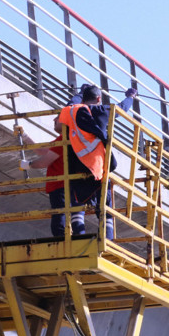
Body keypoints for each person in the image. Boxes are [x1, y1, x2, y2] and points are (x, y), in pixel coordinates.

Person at [57, 85, 137, 239]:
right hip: (97, 165)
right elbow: (122, 108)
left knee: (78, 201)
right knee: (104, 205)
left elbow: (71, 103)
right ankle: (107, 239)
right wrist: (130, 96)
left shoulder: (72, 111)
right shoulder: (101, 111)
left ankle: (79, 236)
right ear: (99, 98)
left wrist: (80, 93)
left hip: (77, 164)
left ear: (83, 98)